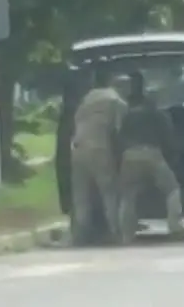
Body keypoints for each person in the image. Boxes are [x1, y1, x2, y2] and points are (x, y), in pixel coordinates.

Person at [116, 71, 184, 244]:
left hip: (129, 155)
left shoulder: (127, 116)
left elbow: (119, 138)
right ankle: (174, 225)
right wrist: (173, 158)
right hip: (151, 154)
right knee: (172, 189)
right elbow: (168, 140)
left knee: (128, 195)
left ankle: (126, 234)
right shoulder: (157, 115)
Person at [70, 67, 128, 245]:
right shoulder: (116, 101)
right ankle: (116, 232)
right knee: (109, 192)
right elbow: (120, 131)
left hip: (78, 149)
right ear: (112, 81)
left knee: (81, 194)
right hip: (100, 149)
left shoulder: (86, 99)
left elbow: (76, 121)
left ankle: (80, 235)